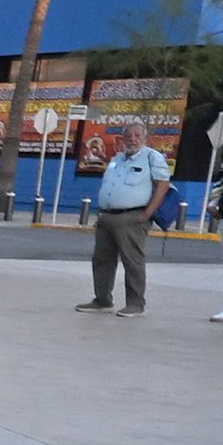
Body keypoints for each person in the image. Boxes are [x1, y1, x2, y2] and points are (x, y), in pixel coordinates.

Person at [80, 121, 171, 319]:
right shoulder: (117, 159)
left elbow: (163, 185)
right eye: (129, 136)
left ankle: (136, 304)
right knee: (102, 259)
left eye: (138, 135)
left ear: (145, 138)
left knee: (132, 261)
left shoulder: (151, 157)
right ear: (123, 139)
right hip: (107, 216)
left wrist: (147, 214)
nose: (133, 139)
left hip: (132, 217)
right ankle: (102, 300)